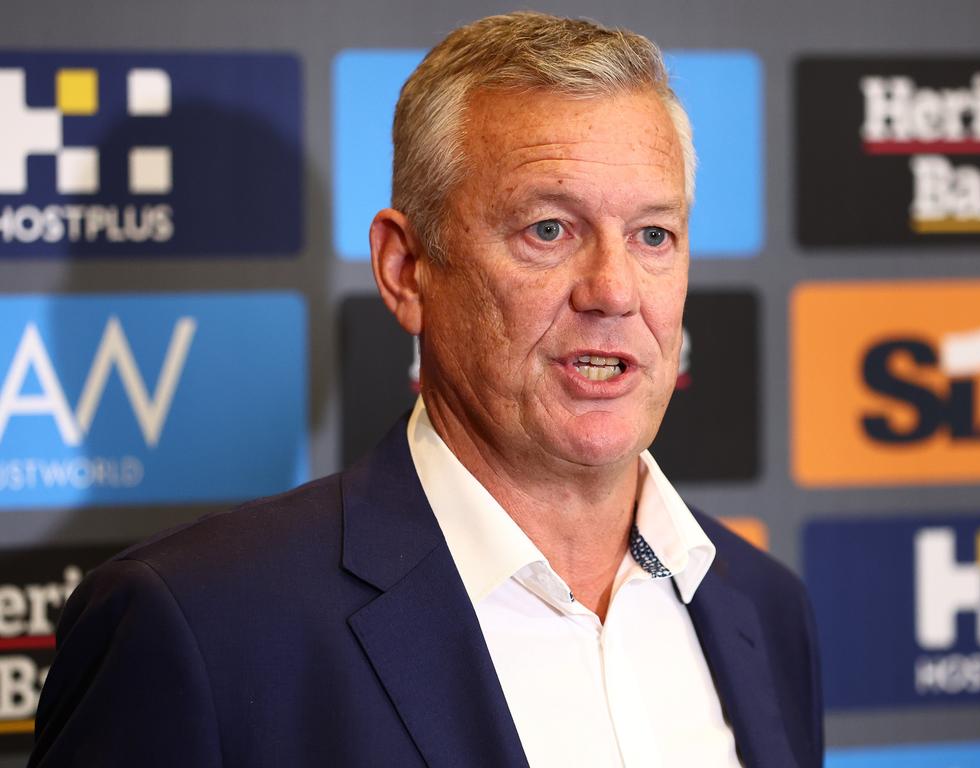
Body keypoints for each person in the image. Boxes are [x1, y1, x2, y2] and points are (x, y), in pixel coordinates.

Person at [29, 12, 822, 768]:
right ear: (406, 270)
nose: (614, 291)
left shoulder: (765, 608)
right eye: (548, 229)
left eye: (654, 235)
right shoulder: (201, 628)